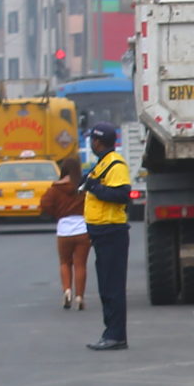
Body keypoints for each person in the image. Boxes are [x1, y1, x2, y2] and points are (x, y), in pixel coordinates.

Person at [80, 124, 133, 349]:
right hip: (102, 232)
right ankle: (110, 332)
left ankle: (116, 335)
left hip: (112, 231)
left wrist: (95, 188)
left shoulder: (116, 164)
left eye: (93, 139)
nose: (91, 143)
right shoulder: (102, 164)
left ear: (98, 142)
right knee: (106, 286)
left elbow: (123, 195)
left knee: (112, 287)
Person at [42, 157, 89, 308]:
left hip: (64, 230)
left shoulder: (55, 189)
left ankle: (67, 290)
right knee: (80, 264)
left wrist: (57, 213)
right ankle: (80, 297)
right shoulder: (83, 187)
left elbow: (44, 204)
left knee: (64, 262)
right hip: (83, 228)